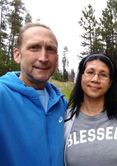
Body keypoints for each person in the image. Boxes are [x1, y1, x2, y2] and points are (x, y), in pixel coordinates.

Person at [0, 23, 68, 166]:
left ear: (56, 58)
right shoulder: (2, 95)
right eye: (34, 48)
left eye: (50, 49)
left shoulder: (62, 104)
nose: (43, 58)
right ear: (17, 55)